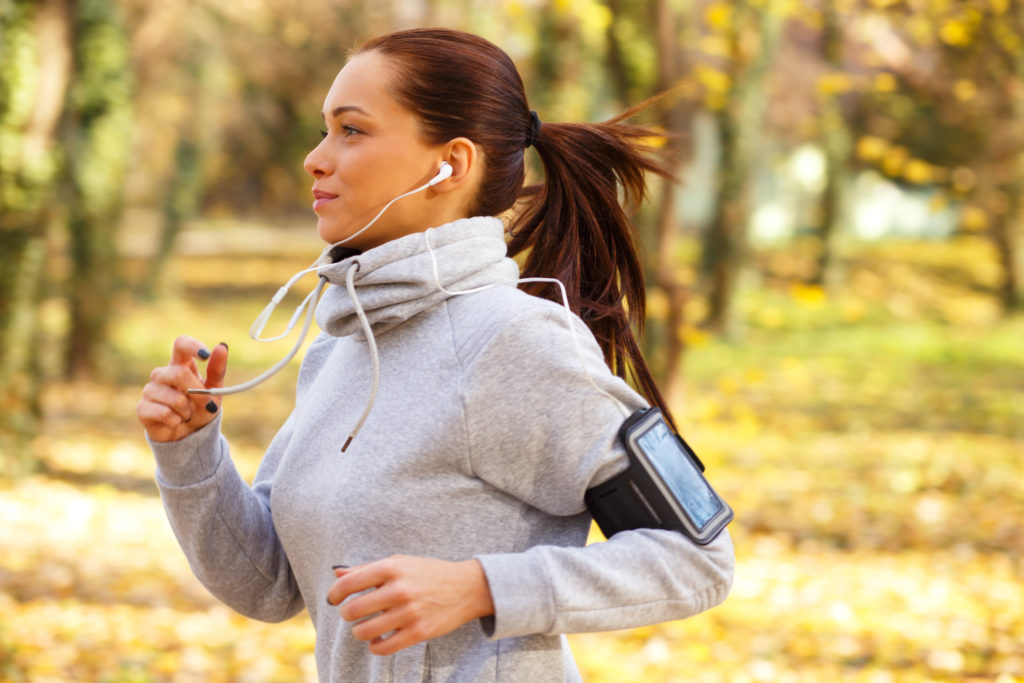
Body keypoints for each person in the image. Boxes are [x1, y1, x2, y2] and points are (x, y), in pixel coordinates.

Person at [136, 27, 734, 683]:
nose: (315, 158)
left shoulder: (516, 341)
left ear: (450, 164)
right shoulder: (339, 350)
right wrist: (191, 451)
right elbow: (268, 584)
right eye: (324, 130)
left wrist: (480, 586)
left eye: (351, 131)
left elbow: (698, 557)